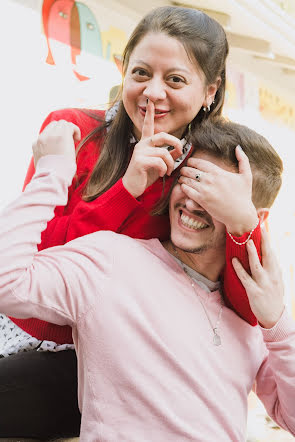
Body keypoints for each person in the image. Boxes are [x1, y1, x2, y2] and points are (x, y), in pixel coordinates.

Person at [0, 6, 261, 439]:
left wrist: (244, 223)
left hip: (125, 363)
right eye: (141, 72)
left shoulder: (208, 168)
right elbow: (40, 270)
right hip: (36, 336)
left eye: (175, 79)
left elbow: (245, 303)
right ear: (123, 70)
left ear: (210, 91)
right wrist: (127, 189)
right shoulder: (72, 132)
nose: (152, 93)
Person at [0, 116, 292, 442]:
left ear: (254, 217)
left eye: (215, 191)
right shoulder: (111, 262)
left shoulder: (250, 316)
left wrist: (278, 325)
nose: (193, 200)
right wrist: (52, 174)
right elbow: (6, 281)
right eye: (190, 179)